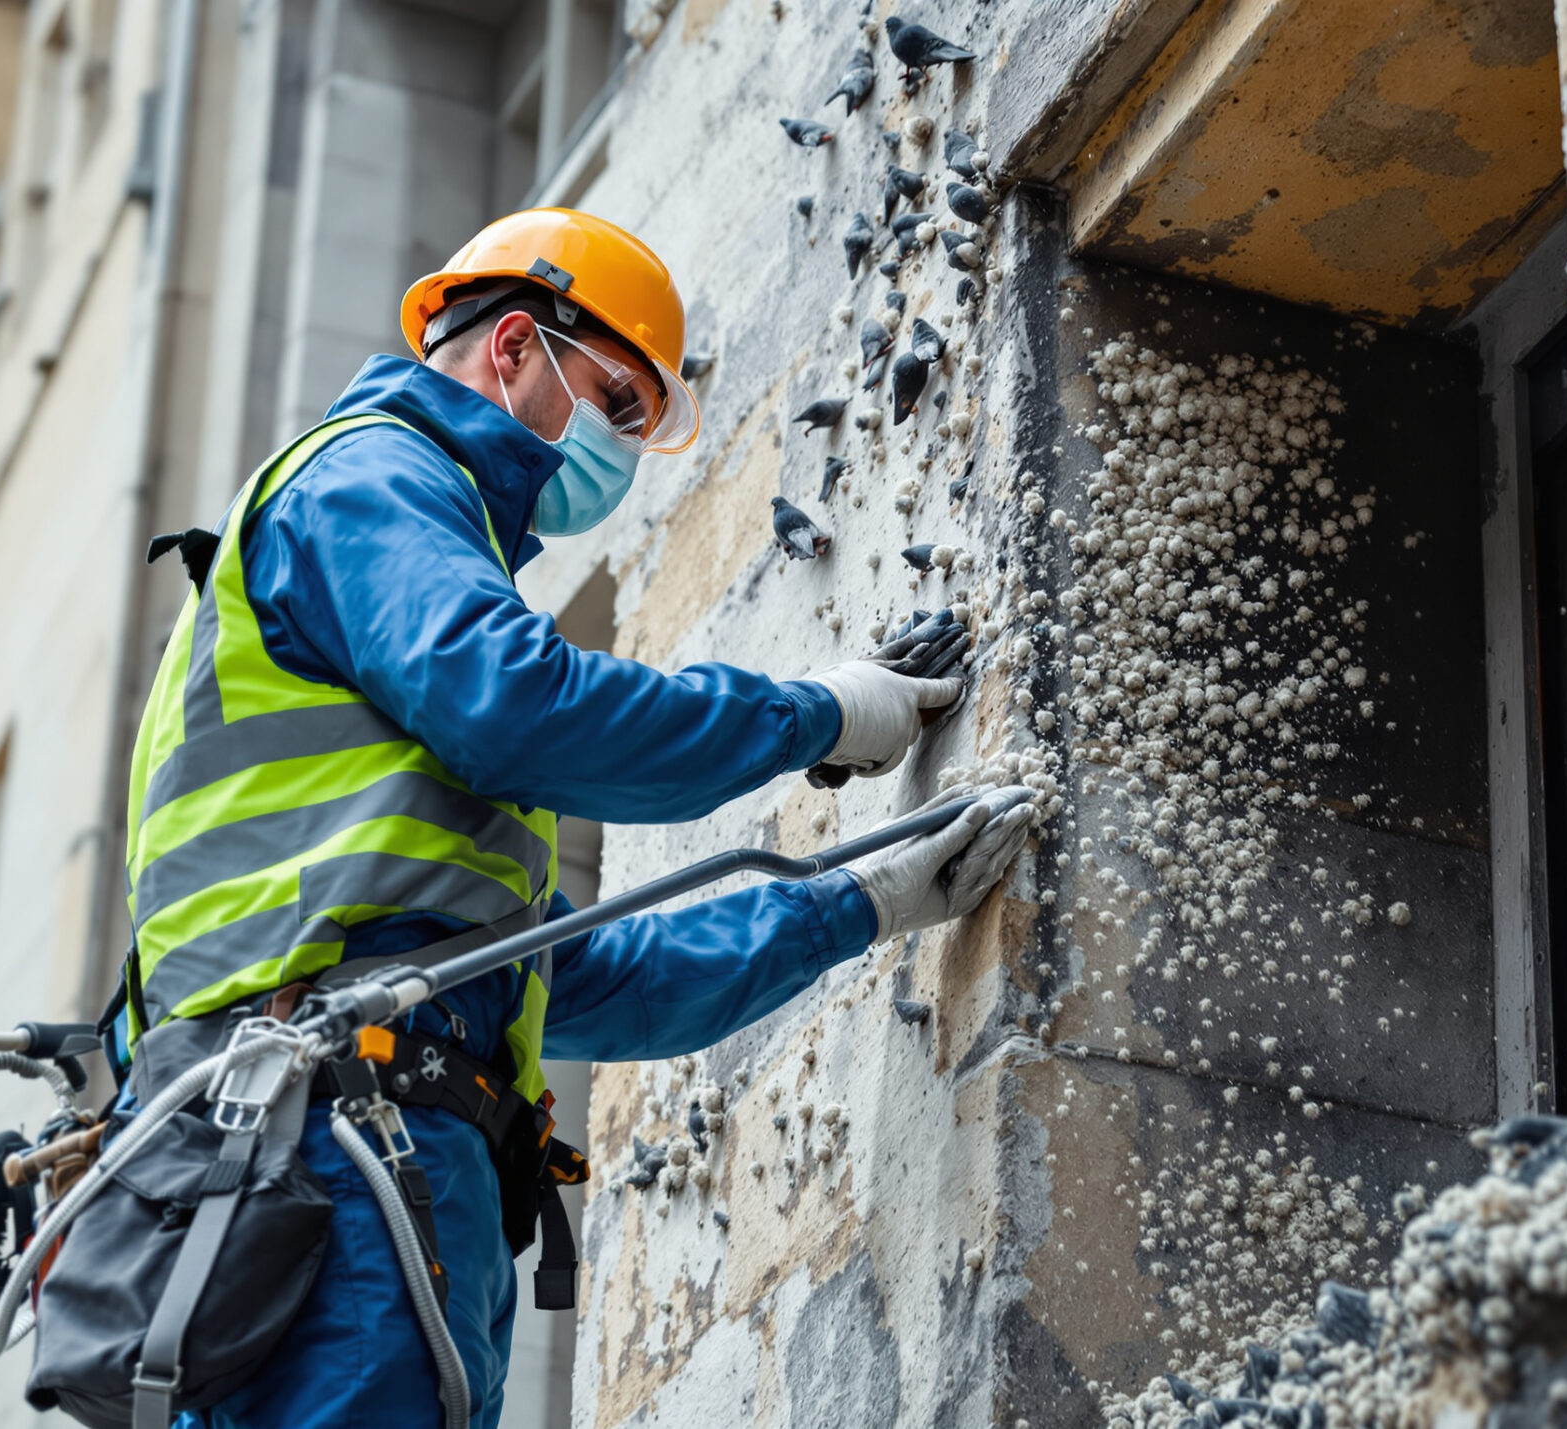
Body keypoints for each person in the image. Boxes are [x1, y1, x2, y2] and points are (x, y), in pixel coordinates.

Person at [118, 207, 1033, 1427]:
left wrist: (860, 901)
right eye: (614, 403)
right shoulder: (370, 478)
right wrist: (815, 716)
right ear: (510, 347)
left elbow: (585, 975)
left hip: (345, 1145)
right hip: (329, 1149)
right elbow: (524, 709)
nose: (618, 451)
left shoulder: (395, 808)